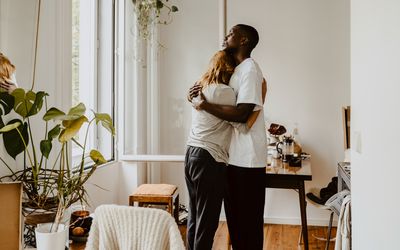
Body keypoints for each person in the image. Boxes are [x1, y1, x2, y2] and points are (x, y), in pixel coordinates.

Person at [190, 24, 267, 250]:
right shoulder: (237, 70)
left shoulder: (251, 69)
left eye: (231, 33)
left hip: (248, 157)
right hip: (231, 156)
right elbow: (219, 101)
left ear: (243, 41)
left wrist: (204, 104)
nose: (226, 36)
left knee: (247, 224)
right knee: (236, 223)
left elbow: (243, 113)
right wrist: (194, 96)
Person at [185, 50, 237, 250]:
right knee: (208, 219)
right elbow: (240, 118)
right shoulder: (225, 92)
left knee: (195, 214)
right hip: (209, 157)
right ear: (228, 68)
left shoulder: (200, 88)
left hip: (192, 153)